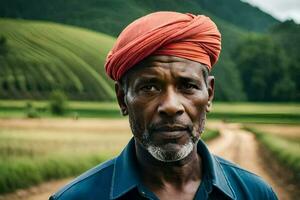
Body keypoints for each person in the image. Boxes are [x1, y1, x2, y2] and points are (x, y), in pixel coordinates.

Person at [49, 11, 278, 200]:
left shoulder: (256, 194)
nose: (170, 106)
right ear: (122, 99)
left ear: (209, 94)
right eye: (149, 88)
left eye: (187, 86)